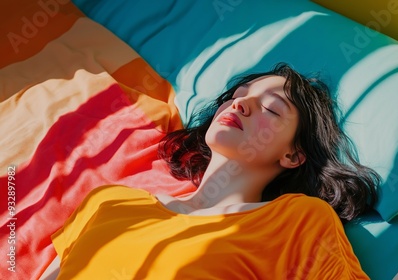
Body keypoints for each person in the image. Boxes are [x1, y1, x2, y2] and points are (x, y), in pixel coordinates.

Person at [42, 63, 380, 279]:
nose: (239, 104)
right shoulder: (109, 202)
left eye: (271, 108)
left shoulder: (296, 221)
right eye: (237, 95)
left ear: (293, 155)